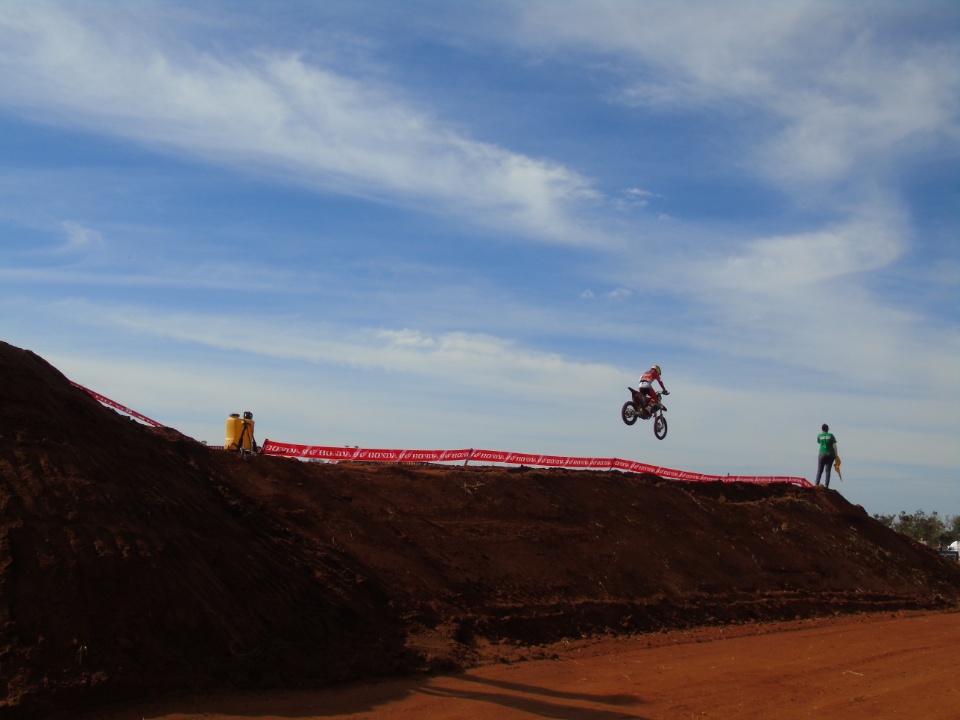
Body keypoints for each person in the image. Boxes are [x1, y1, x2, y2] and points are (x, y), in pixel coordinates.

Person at [815, 423, 838, 488]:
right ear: (828, 429)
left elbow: (819, 442)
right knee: (828, 470)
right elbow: (834, 446)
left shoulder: (819, 436)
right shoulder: (831, 436)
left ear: (822, 429)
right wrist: (836, 456)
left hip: (822, 453)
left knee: (820, 470)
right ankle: (826, 485)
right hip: (830, 454)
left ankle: (816, 484)